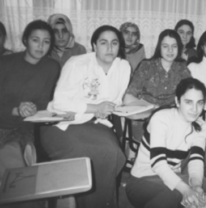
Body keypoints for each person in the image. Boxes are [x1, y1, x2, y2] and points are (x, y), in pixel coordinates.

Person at [40, 25, 130, 208]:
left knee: (111, 152)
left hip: (97, 124)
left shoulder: (124, 67)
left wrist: (113, 108)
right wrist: (95, 107)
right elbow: (59, 103)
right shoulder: (77, 63)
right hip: (62, 123)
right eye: (103, 43)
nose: (109, 48)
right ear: (94, 45)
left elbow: (117, 99)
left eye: (114, 43)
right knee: (85, 152)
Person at [0, 20, 60, 208]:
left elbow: (44, 101)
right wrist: (17, 109)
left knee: (14, 163)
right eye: (35, 40)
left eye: (46, 42)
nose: (41, 46)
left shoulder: (52, 66)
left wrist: (33, 109)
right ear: (25, 40)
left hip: (24, 128)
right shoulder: (5, 62)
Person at [126, 78, 206, 208]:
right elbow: (158, 163)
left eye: (199, 103)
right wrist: (186, 189)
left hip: (170, 176)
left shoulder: (201, 126)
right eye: (188, 102)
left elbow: (196, 160)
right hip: (142, 180)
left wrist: (196, 186)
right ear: (177, 101)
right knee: (174, 194)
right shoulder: (162, 118)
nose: (194, 109)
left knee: (203, 185)